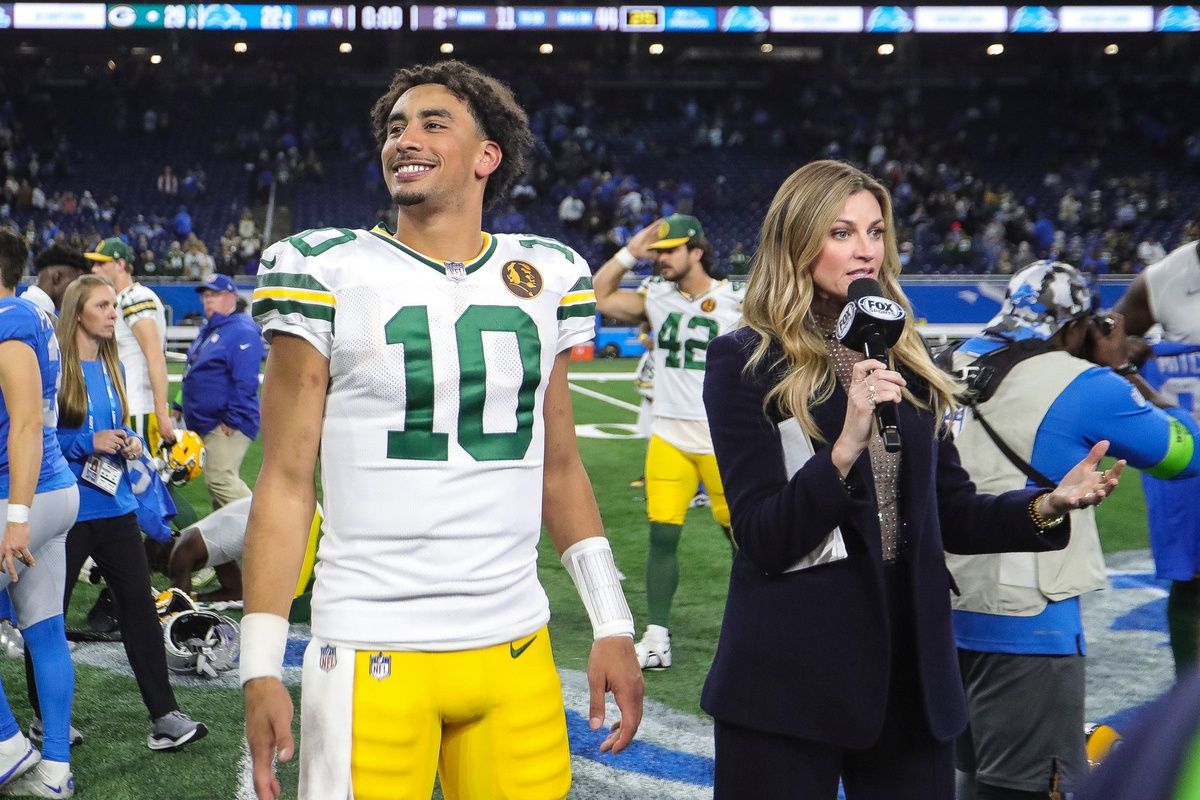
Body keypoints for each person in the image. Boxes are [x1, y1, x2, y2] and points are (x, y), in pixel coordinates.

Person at [240, 60, 643, 800]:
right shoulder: (325, 269)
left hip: (515, 645)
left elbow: (560, 467)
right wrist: (260, 664)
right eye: (395, 127)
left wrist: (611, 620)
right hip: (371, 645)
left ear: (488, 156)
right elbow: (287, 480)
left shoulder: (545, 272)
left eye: (432, 122)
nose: (405, 138)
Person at [698, 159, 1121, 799]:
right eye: (841, 233)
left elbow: (947, 509)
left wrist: (1048, 504)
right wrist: (844, 449)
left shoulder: (907, 355)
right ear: (797, 240)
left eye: (874, 232)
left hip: (912, 671)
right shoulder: (747, 361)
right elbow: (761, 535)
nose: (865, 250)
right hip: (789, 676)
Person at [946, 260, 1200, 800]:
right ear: (1076, 327)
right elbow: (1184, 454)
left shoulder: (946, 361)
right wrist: (1122, 373)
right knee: (1027, 787)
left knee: (965, 777)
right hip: (1029, 616)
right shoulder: (1087, 384)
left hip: (939, 608)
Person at [31, 274, 206, 753]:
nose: (114, 312)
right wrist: (88, 441)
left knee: (140, 613)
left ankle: (165, 717)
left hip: (117, 508)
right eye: (104, 305)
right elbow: (39, 439)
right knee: (47, 616)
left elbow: (116, 426)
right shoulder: (53, 369)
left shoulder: (114, 369)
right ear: (78, 313)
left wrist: (127, 441)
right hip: (66, 514)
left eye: (113, 304)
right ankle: (49, 720)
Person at [593, 213, 743, 670]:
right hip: (669, 434)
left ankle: (763, 622)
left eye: (669, 250)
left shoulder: (739, 300)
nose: (660, 259)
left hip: (723, 438)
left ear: (696, 251)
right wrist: (628, 253)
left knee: (744, 539)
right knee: (662, 534)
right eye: (658, 251)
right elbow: (599, 294)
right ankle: (656, 636)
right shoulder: (655, 296)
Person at [0, 231, 79, 797]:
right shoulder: (29, 316)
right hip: (49, 488)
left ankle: (6, 740)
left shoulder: (8, 320)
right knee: (45, 630)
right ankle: (55, 770)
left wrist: (17, 516)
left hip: (23, 493)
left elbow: (26, 422)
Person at [1114, 238, 1200, 676]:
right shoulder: (1165, 277)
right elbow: (1111, 334)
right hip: (1191, 459)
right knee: (1193, 577)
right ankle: (1190, 697)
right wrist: (1128, 351)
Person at [143, 493, 322, 608]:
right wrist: (198, 597)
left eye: (161, 570)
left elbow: (179, 604)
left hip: (299, 516)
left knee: (285, 605)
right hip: (295, 514)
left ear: (162, 560)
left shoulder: (181, 553)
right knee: (279, 592)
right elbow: (236, 591)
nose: (167, 574)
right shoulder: (205, 546)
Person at [180, 275, 263, 511]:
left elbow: (246, 380)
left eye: (214, 295)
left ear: (231, 298)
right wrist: (179, 404)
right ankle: (229, 545)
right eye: (206, 295)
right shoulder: (211, 329)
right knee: (219, 497)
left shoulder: (241, 330)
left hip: (226, 423)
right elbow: (193, 370)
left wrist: (234, 417)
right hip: (208, 422)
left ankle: (264, 527)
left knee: (220, 480)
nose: (208, 301)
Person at [84, 238, 176, 451]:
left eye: (101, 263)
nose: (94, 269)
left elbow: (155, 356)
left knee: (143, 480)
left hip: (138, 407)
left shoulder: (134, 297)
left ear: (121, 264)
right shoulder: (121, 299)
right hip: (128, 405)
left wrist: (161, 413)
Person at [22, 244, 87, 317]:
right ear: (57, 278)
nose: (77, 292)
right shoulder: (29, 316)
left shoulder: (26, 309)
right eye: (75, 284)